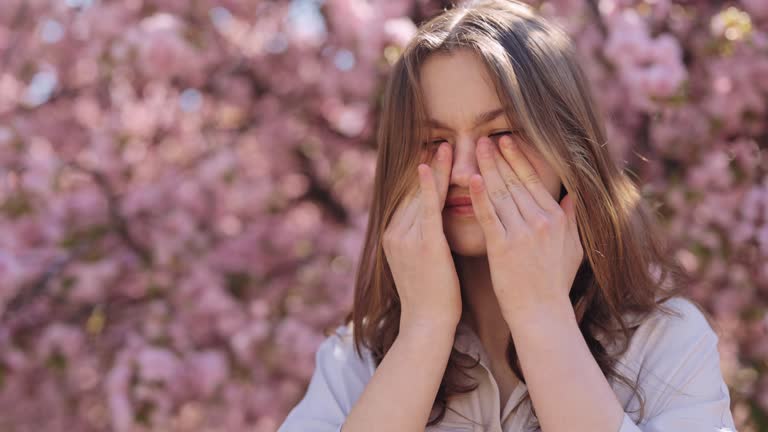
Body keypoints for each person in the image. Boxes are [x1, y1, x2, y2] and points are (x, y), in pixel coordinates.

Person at [277, 0, 738, 431]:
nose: (459, 171)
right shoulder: (354, 362)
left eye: (499, 134)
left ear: (568, 151)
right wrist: (424, 329)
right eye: (432, 141)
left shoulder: (665, 344)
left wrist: (543, 319)